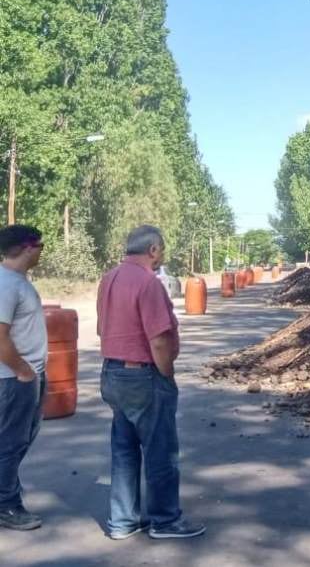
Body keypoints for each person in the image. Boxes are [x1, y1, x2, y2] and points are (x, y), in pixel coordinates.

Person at [97, 225, 204, 540]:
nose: (162, 257)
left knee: (124, 449)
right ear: (153, 249)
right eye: (162, 251)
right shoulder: (148, 283)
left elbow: (104, 328)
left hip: (113, 373)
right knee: (160, 450)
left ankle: (123, 521)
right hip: (143, 376)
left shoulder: (109, 279)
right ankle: (165, 521)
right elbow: (158, 340)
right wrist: (166, 373)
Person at [0, 225, 46, 531]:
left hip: (26, 376)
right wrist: (22, 370)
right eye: (40, 245)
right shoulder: (6, 285)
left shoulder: (16, 281)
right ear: (27, 247)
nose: (43, 250)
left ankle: (6, 492)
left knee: (17, 440)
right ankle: (7, 506)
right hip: (14, 379)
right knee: (11, 443)